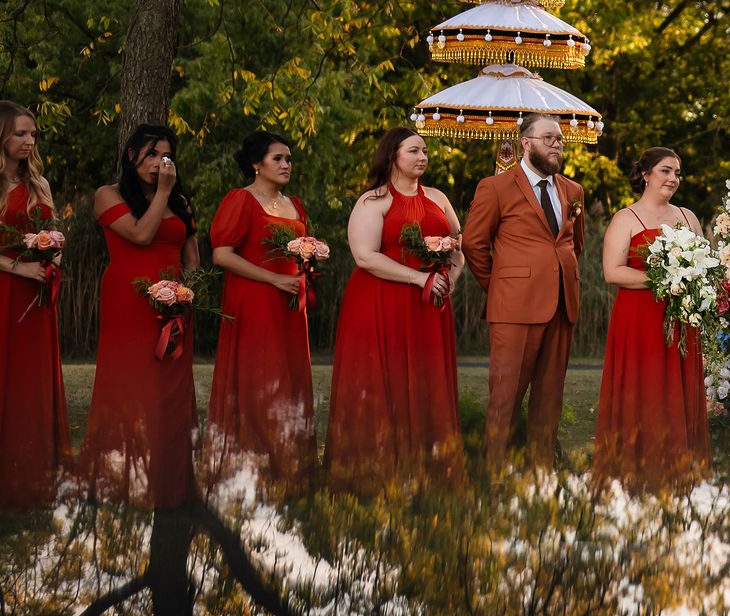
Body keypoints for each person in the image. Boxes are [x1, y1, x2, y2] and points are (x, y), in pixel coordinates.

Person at [325, 127, 465, 493]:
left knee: (425, 377)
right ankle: (374, 472)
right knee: (380, 378)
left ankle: (427, 470)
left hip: (429, 305)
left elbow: (457, 246)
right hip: (380, 301)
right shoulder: (374, 201)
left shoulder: (438, 197)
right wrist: (417, 279)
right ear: (392, 156)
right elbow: (364, 256)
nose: (422, 156)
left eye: (425, 150)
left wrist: (450, 276)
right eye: (413, 150)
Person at [78, 125, 199, 509]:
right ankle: (119, 477)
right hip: (129, 299)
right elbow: (142, 236)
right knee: (130, 379)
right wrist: (163, 192)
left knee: (170, 385)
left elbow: (192, 253)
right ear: (131, 156)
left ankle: (170, 478)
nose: (159, 163)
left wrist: (187, 293)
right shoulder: (108, 195)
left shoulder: (180, 200)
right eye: (151, 154)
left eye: (166, 156)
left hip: (175, 301)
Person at [463, 114, 586, 470]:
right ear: (526, 142)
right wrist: (502, 287)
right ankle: (495, 472)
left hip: (563, 305)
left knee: (550, 397)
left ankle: (541, 474)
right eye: (548, 138)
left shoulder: (572, 190)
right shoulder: (495, 187)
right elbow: (473, 244)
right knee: (506, 396)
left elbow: (575, 245)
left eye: (560, 139)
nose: (557, 144)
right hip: (513, 309)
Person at [204, 130, 316, 491]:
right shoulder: (241, 200)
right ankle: (252, 467)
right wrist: (272, 278)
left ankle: (289, 465)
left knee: (290, 376)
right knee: (259, 375)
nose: (286, 165)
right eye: (277, 159)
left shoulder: (294, 204)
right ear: (256, 164)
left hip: (288, 302)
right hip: (254, 299)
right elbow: (222, 255)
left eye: (289, 159)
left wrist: (305, 270)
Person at [594, 147, 711, 490]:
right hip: (640, 318)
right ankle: (636, 469)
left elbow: (701, 265)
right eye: (665, 171)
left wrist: (692, 281)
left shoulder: (689, 217)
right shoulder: (626, 218)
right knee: (643, 387)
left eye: (677, 173)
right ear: (645, 174)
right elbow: (611, 272)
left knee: (678, 388)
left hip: (681, 319)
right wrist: (665, 280)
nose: (673, 178)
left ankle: (679, 469)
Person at [0, 100, 68, 509]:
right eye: (21, 133)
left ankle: (29, 466)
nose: (29, 141)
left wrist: (52, 261)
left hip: (38, 295)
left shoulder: (39, 185)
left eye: (33, 135)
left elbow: (53, 235)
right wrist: (18, 270)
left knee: (30, 379)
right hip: (6, 287)